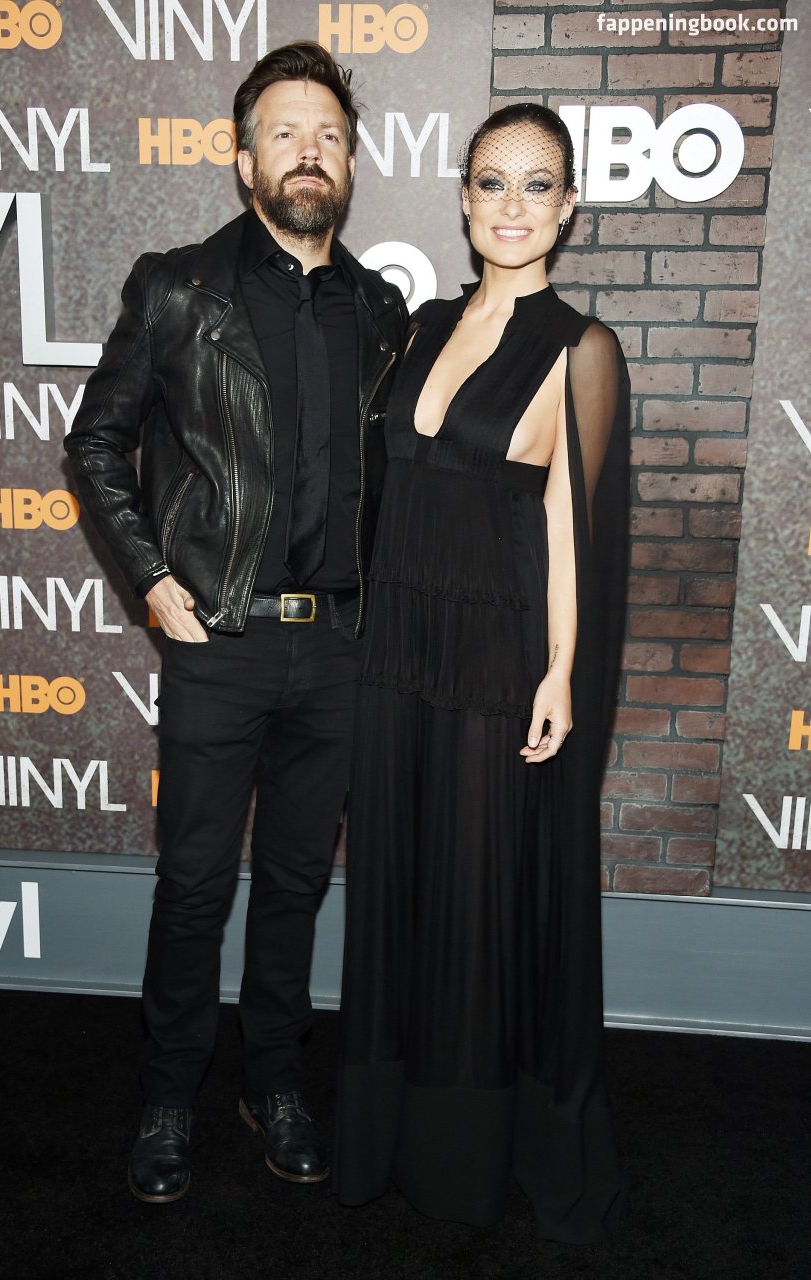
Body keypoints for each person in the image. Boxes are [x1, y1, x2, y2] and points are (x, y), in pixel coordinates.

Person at [64, 41, 407, 1203]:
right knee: (196, 884)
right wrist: (152, 577)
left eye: (327, 134)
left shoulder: (380, 310)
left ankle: (276, 1079)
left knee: (298, 883)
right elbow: (95, 441)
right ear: (243, 158)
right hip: (219, 642)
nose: (308, 152)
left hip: (340, 647)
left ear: (349, 161)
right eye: (283, 132)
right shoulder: (177, 288)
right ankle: (168, 1094)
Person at [333, 103, 630, 1243]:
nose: (512, 205)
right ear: (462, 199)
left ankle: (458, 1165)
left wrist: (561, 671)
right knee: (396, 887)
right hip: (395, 650)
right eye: (491, 182)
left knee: (469, 899)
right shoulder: (419, 324)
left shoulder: (580, 347)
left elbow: (569, 525)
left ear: (568, 206)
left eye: (536, 183)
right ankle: (380, 1136)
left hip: (494, 659)